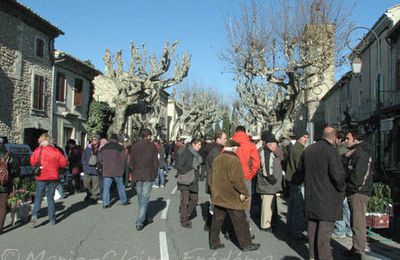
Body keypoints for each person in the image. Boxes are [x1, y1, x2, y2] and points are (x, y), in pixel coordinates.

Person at [298, 127, 346, 260]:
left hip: (311, 195)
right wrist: (342, 188)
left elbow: (300, 171)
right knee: (324, 233)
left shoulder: (308, 150)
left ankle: (313, 256)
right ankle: (324, 257)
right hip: (328, 197)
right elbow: (338, 175)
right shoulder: (331, 151)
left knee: (312, 228)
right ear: (334, 137)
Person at [209, 139, 260, 251]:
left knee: (217, 220)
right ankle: (246, 244)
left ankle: (214, 242)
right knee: (241, 221)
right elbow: (237, 181)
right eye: (236, 148)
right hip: (232, 196)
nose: (237, 150)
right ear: (233, 148)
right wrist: (244, 192)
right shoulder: (234, 160)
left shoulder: (217, 159)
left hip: (219, 195)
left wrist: (214, 191)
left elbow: (211, 177)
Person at [343, 129, 374, 258]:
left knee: (358, 223)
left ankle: (358, 250)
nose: (345, 141)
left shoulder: (361, 153)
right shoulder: (355, 152)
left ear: (355, 139)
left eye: (348, 138)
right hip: (355, 191)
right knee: (354, 222)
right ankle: (356, 247)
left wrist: (351, 187)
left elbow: (359, 175)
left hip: (358, 192)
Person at [30, 133, 68, 228]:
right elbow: (64, 163)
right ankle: (52, 219)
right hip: (53, 177)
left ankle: (35, 215)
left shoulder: (38, 151)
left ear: (41, 141)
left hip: (41, 177)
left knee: (38, 197)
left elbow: (32, 162)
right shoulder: (56, 151)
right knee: (50, 198)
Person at [130, 128, 159, 231]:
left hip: (137, 174)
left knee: (141, 197)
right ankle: (139, 221)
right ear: (149, 135)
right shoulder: (153, 147)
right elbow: (156, 162)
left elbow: (131, 162)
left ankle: (144, 217)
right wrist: (155, 174)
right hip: (148, 174)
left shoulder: (134, 146)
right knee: (145, 198)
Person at [256, 131, 284, 232]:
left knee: (269, 205)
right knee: (267, 206)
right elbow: (266, 170)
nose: (276, 146)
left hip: (269, 185)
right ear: (270, 144)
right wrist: (273, 181)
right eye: (275, 144)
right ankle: (265, 225)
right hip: (267, 185)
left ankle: (268, 223)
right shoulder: (265, 152)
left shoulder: (269, 152)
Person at [231, 126, 260, 223]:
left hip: (231, 176)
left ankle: (231, 226)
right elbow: (256, 163)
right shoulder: (250, 145)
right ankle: (245, 226)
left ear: (236, 132)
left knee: (232, 201)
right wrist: (250, 174)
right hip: (245, 176)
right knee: (245, 202)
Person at [285, 130, 309, 240]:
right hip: (298, 181)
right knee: (297, 208)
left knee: (292, 207)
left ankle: (290, 228)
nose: (306, 139)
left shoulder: (294, 148)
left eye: (307, 137)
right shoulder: (299, 149)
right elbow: (301, 167)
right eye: (304, 137)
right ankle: (296, 232)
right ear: (299, 137)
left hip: (292, 180)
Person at [176, 138, 202, 228]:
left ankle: (186, 214)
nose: (200, 146)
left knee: (194, 199)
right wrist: (188, 171)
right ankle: (184, 220)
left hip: (193, 180)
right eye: (199, 144)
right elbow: (179, 165)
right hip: (185, 180)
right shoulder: (186, 152)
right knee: (185, 200)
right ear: (193, 144)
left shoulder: (196, 154)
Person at [204, 132, 227, 231]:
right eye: (224, 138)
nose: (226, 140)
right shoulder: (216, 151)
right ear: (218, 139)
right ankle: (215, 227)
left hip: (212, 181)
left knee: (213, 204)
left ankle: (209, 225)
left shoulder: (214, 150)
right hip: (216, 182)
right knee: (217, 205)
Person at [98, 133, 129, 208]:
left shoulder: (104, 148)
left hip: (107, 170)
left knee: (106, 188)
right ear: (117, 139)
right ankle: (124, 201)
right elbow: (123, 160)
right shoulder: (120, 148)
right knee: (120, 186)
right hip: (117, 170)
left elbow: (100, 159)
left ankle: (106, 204)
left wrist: (104, 164)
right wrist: (122, 168)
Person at [333, 131, 353, 239]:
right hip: (348, 182)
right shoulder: (350, 149)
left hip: (341, 181)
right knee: (347, 207)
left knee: (339, 206)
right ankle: (349, 230)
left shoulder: (339, 149)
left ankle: (340, 230)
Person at [82, 134, 101, 204]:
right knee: (86, 183)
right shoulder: (88, 148)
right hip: (87, 168)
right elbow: (83, 156)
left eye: (95, 139)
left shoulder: (101, 148)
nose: (93, 141)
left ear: (98, 140)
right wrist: (84, 164)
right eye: (92, 139)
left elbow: (101, 158)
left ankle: (94, 197)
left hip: (95, 169)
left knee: (95, 184)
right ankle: (89, 194)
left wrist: (99, 166)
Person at [0, 138, 12, 233]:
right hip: (4, 185)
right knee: (3, 206)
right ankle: (0, 228)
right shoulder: (9, 156)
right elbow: (17, 170)